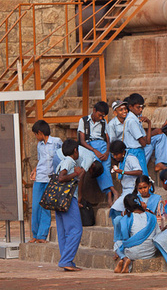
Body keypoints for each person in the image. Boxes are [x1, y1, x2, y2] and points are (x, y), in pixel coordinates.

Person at [29, 119, 61, 243]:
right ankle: (35, 234)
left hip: (51, 179)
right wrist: (34, 170)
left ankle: (42, 236)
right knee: (36, 206)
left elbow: (62, 156)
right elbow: (41, 160)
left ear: (40, 133)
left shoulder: (57, 142)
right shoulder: (39, 145)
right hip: (39, 177)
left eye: (36, 134)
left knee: (46, 207)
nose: (36, 137)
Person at [76, 101, 114, 206]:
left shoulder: (104, 123)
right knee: (97, 166)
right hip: (89, 147)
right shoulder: (83, 121)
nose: (101, 118)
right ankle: (111, 190)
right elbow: (82, 141)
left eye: (103, 116)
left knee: (106, 166)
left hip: (102, 146)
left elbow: (108, 139)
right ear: (94, 111)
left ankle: (109, 194)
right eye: (100, 115)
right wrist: (94, 150)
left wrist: (107, 152)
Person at [55, 139, 84, 271]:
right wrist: (76, 173)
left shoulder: (61, 162)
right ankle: (66, 260)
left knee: (64, 231)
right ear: (75, 151)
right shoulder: (69, 161)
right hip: (68, 199)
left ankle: (66, 260)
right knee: (76, 230)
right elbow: (62, 177)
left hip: (59, 199)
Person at [113, 193, 159, 273]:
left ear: (126, 207)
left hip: (133, 254)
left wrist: (120, 250)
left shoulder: (127, 218)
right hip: (150, 253)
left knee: (117, 244)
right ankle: (126, 266)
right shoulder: (151, 217)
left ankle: (124, 258)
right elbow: (158, 234)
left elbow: (125, 240)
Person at [124, 93, 167, 175]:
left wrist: (149, 123)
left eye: (142, 107)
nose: (141, 110)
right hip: (134, 153)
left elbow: (147, 141)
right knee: (139, 177)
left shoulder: (136, 118)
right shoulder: (132, 121)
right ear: (130, 107)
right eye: (138, 107)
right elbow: (144, 143)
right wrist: (149, 134)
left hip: (139, 151)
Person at [109, 140, 142, 222]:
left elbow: (139, 171)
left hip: (132, 190)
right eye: (113, 155)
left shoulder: (130, 158)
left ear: (123, 151)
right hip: (125, 191)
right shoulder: (121, 161)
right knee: (117, 212)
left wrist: (122, 172)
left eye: (116, 154)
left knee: (115, 209)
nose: (115, 157)